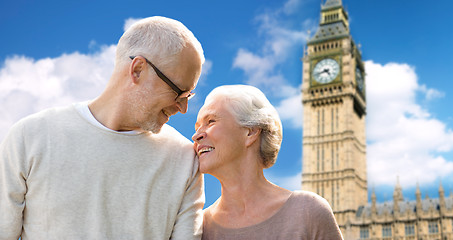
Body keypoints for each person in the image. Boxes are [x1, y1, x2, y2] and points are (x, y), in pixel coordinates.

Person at [0, 16, 205, 239]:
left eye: (189, 96)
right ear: (137, 70)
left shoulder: (185, 160)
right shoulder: (30, 137)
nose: (183, 108)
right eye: (179, 92)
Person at [192, 85, 343, 240]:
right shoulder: (199, 228)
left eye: (210, 121)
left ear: (250, 132)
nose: (196, 136)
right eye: (196, 128)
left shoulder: (308, 212)